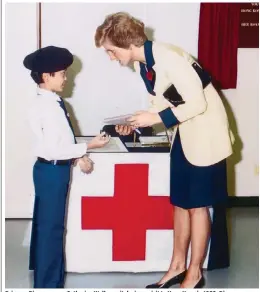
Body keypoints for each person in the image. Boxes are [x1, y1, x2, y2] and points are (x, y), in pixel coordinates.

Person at [95, 12, 234, 289]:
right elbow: (164, 102)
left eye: (111, 51)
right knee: (181, 203)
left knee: (197, 207)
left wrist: (154, 118)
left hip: (205, 136)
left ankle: (194, 274)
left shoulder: (169, 57)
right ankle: (177, 267)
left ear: (127, 44)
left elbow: (196, 104)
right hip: (185, 135)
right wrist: (136, 123)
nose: (111, 57)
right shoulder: (145, 64)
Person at [23, 45, 110, 288]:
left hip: (52, 170)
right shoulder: (47, 107)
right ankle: (48, 285)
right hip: (52, 171)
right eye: (61, 73)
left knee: (48, 229)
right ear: (46, 76)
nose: (65, 77)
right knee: (51, 232)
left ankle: (48, 281)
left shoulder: (52, 102)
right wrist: (88, 147)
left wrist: (76, 156)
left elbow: (61, 141)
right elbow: (53, 149)